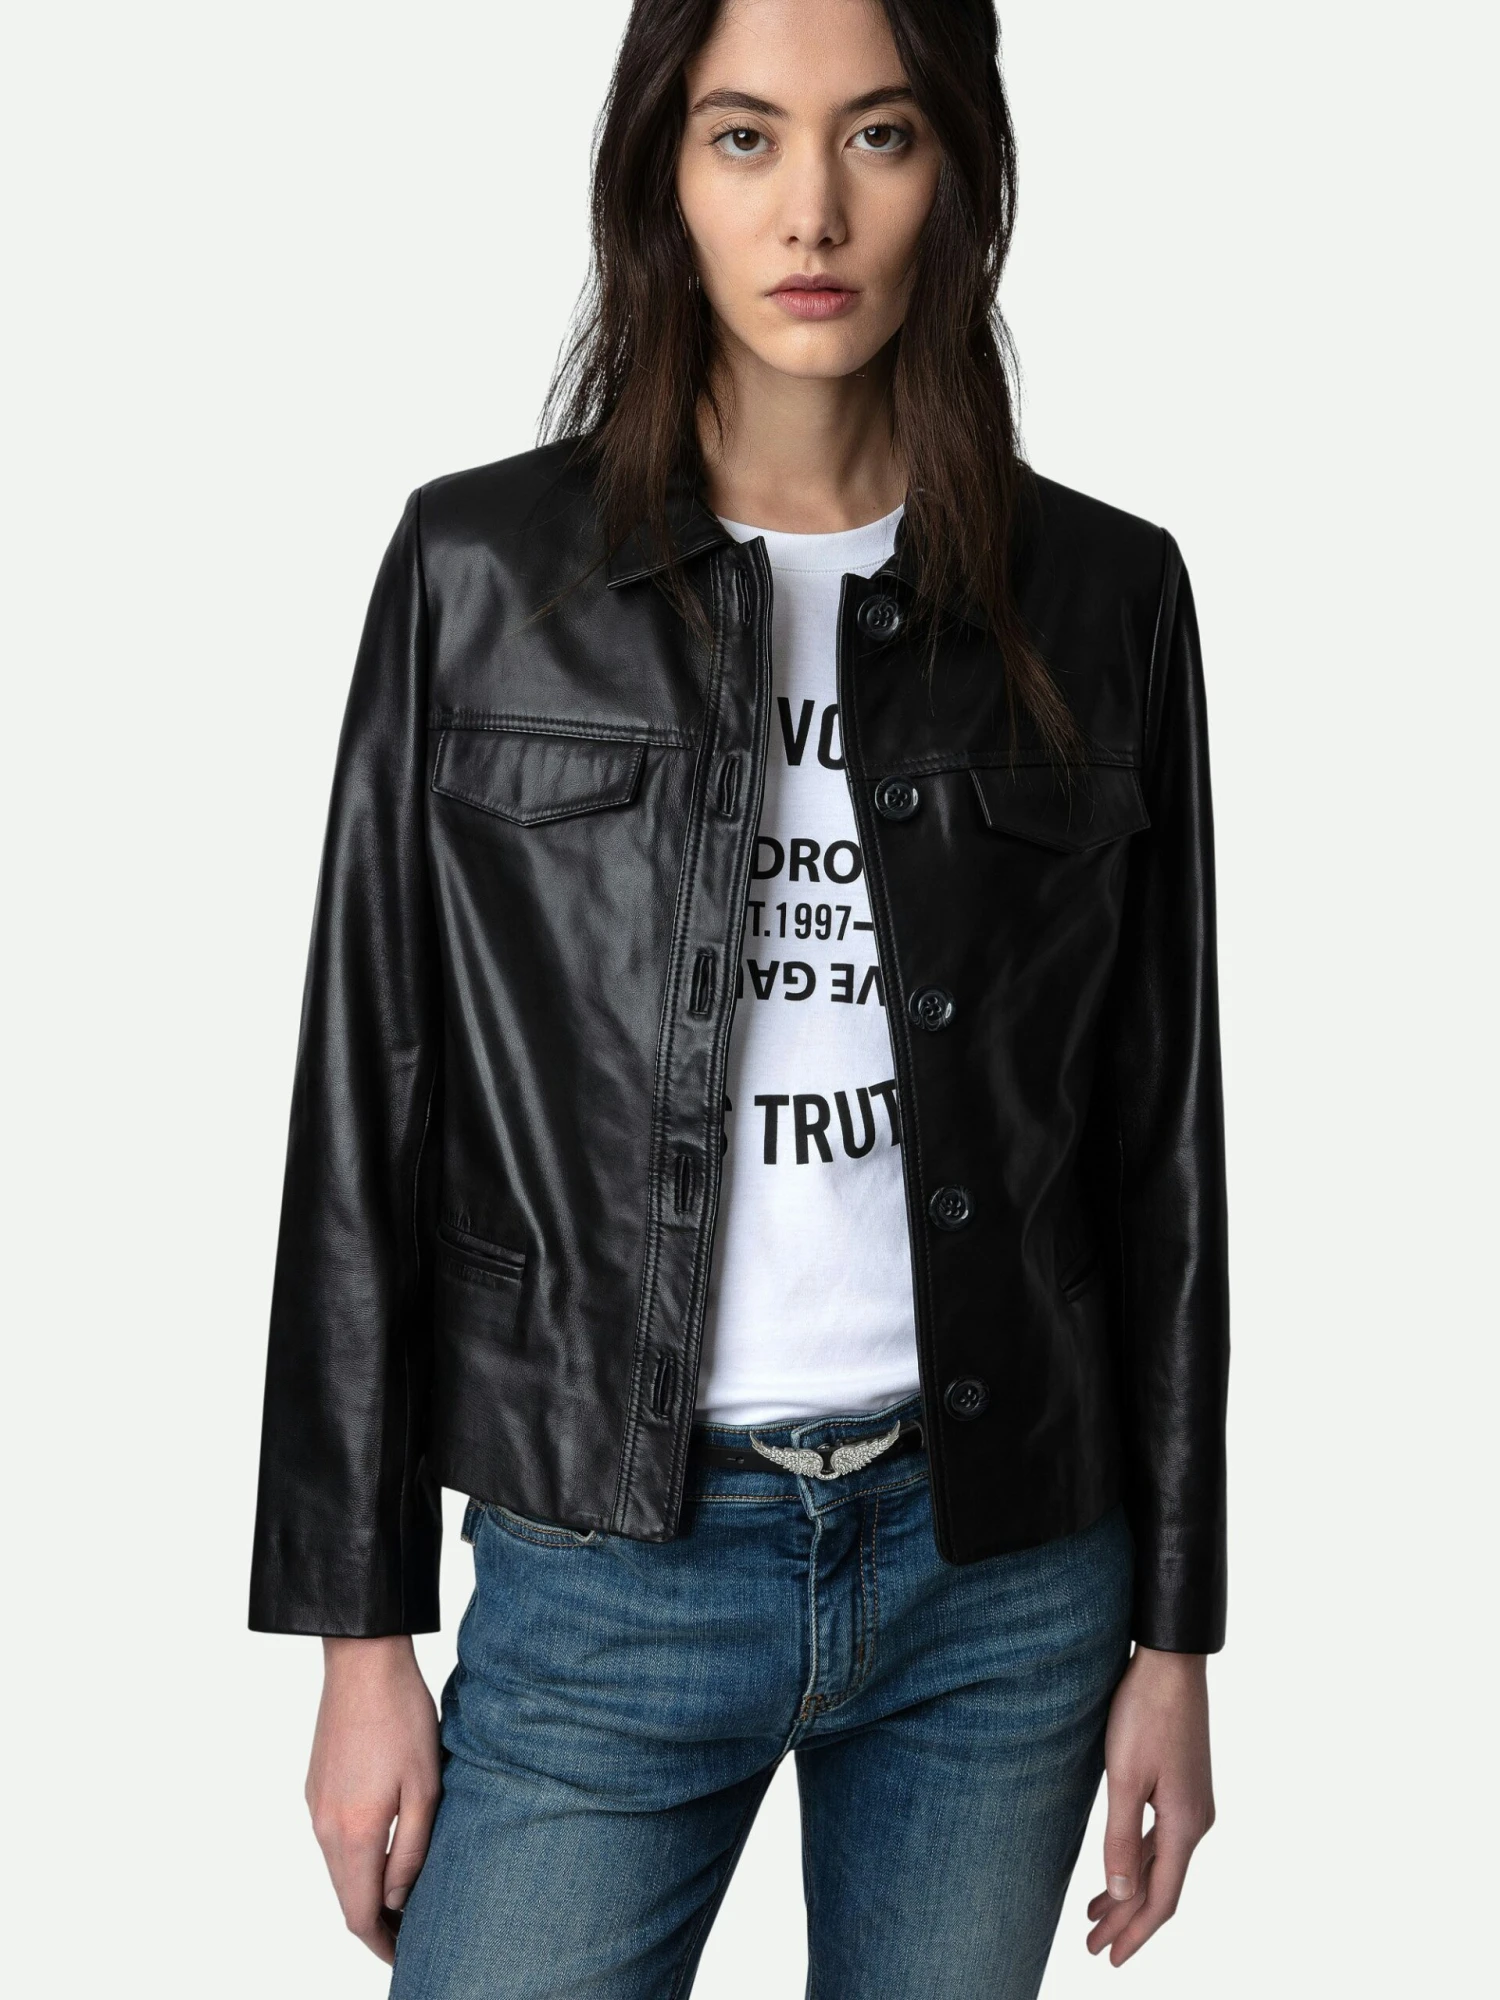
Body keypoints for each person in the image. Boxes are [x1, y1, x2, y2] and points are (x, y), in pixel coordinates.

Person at [248, 0, 1228, 1992]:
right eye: (744, 137)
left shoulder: (1103, 597)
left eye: (879, 135)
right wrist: (360, 1637)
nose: (812, 214)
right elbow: (367, 1099)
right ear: (662, 178)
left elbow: (1164, 1146)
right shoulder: (478, 574)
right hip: (607, 1566)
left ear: (960, 172)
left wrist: (1177, 1638)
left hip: (1001, 1578)